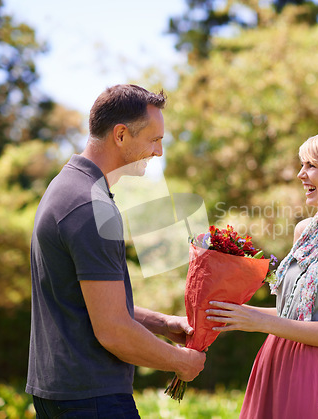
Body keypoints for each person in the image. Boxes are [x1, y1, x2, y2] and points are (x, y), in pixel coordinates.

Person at [26, 84, 206, 418]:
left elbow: (88, 303)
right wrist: (181, 361)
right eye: (154, 140)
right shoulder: (91, 206)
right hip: (92, 400)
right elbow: (113, 330)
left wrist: (163, 323)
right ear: (121, 135)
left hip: (61, 393)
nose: (159, 153)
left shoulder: (65, 189)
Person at [207, 129, 318, 418]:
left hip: (315, 373)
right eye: (302, 165)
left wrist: (258, 321)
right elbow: (292, 313)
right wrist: (234, 313)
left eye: (311, 165)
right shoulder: (304, 231)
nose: (301, 174)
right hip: (273, 362)